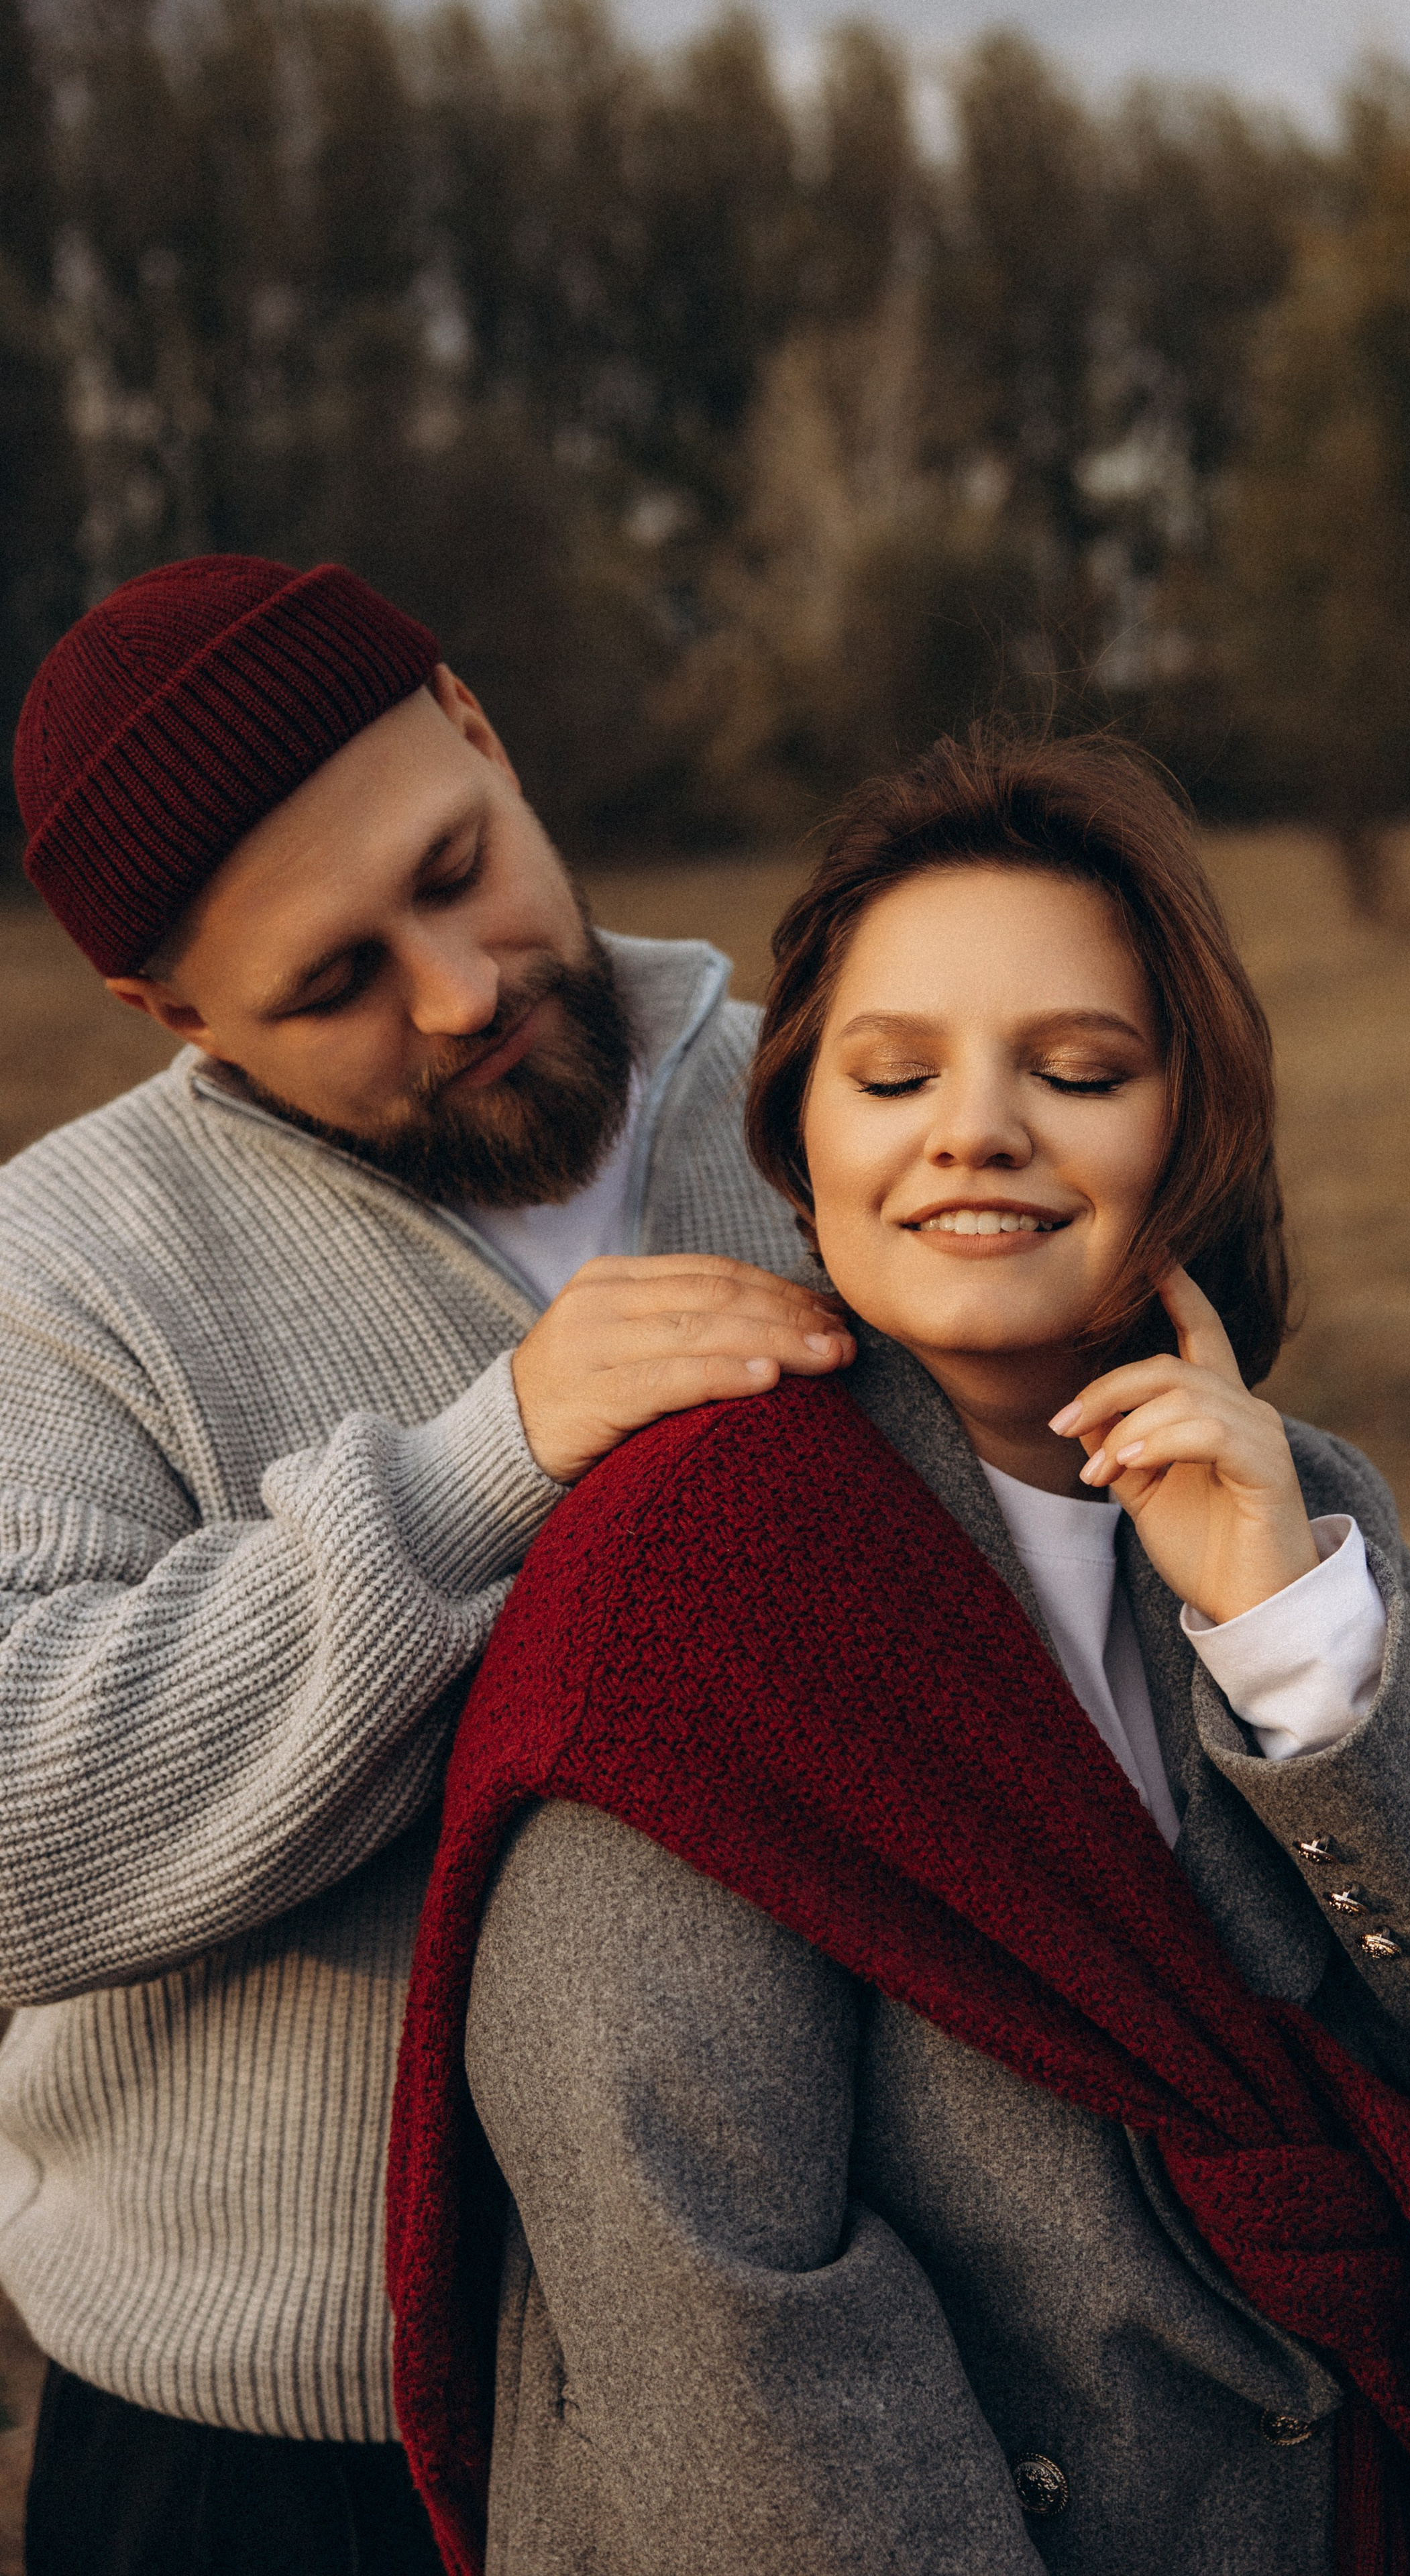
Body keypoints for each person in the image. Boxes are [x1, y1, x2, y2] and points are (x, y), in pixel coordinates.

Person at [392, 728, 1410, 2576]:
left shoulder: (1290, 1507)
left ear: (1190, 1129)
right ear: (801, 1130)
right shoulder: (696, 1581)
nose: (976, 1129)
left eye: (1077, 1071)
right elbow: (709, 2290)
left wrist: (1296, 1642)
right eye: (894, 1072)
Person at [0, 553, 853, 2575]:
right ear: (173, 1014)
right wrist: (488, 1474)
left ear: (476, 725)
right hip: (280, 2455)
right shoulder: (58, 1273)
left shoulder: (844, 1104)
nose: (461, 990)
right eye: (336, 984)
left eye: (456, 869)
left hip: (829, 2378)